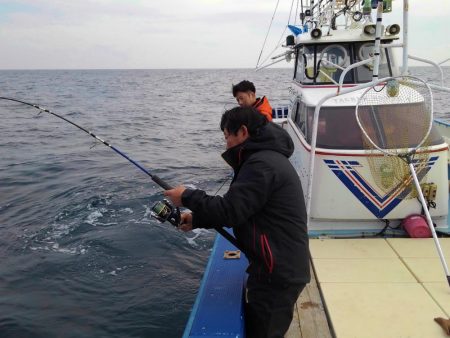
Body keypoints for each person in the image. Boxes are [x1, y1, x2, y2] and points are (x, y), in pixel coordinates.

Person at [164, 106, 310, 338]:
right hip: (277, 266)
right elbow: (243, 210)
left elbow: (230, 211)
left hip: (278, 272)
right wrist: (196, 219)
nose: (225, 144)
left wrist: (187, 196)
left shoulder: (262, 164)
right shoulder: (266, 158)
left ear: (242, 132)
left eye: (226, 136)